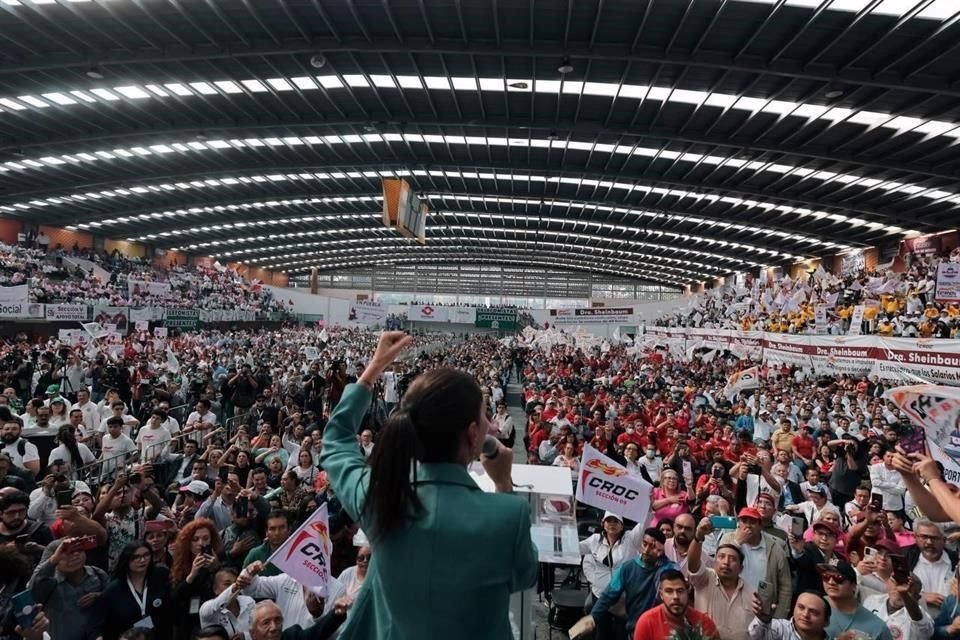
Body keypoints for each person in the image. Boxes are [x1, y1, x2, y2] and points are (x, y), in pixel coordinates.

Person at [319, 331, 538, 640]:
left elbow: (336, 441)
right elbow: (524, 575)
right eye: (484, 417)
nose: (491, 425)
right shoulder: (507, 515)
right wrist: (503, 483)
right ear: (474, 435)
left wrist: (373, 368)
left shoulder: (380, 498)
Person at [571, 527, 679, 639]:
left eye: (652, 546)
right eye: (644, 544)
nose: (646, 550)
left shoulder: (667, 567)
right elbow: (609, 594)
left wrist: (661, 559)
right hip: (634, 628)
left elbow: (671, 576)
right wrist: (592, 617)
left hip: (661, 629)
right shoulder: (628, 567)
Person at [28, 536, 109, 640]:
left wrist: (99, 596)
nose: (75, 555)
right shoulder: (47, 581)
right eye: (68, 552)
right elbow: (31, 589)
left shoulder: (98, 575)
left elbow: (114, 602)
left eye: (79, 550)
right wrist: (53, 560)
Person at [579, 512, 644, 640]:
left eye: (616, 521)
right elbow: (576, 549)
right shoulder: (595, 540)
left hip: (623, 597)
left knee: (622, 633)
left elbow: (644, 524)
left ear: (622, 525)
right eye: (609, 521)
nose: (612, 524)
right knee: (601, 633)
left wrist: (648, 507)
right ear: (603, 523)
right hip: (600, 595)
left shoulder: (631, 539)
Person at [689, 518, 755, 640]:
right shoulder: (704, 579)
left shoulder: (751, 593)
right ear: (714, 563)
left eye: (733, 559)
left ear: (741, 568)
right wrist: (698, 538)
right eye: (721, 557)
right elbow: (693, 565)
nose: (726, 562)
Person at [720, 507, 793, 619]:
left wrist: (779, 617)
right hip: (731, 608)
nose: (748, 526)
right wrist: (738, 542)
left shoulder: (775, 548)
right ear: (739, 523)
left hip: (762, 612)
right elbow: (720, 567)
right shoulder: (728, 539)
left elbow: (785, 585)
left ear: (760, 526)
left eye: (752, 522)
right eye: (744, 521)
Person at [97, 542, 172, 640]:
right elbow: (106, 625)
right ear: (127, 559)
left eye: (146, 555)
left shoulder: (162, 576)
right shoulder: (113, 591)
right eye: (136, 557)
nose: (142, 560)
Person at [170, 518, 223, 640]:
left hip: (213, 622)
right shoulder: (180, 564)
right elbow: (174, 598)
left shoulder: (220, 560)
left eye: (205, 538)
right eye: (195, 539)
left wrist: (216, 569)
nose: (201, 543)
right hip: (187, 623)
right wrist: (191, 576)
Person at [628, 569, 719, 640]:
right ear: (661, 595)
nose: (675, 597)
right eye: (669, 591)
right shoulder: (646, 622)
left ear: (687, 592)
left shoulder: (704, 623)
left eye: (680, 591)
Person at [820, 562, 894, 640]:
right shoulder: (812, 608)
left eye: (839, 578)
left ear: (853, 586)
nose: (831, 582)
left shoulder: (877, 626)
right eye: (826, 577)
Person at [862, 574, 934, 640]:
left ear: (917, 597)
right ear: (887, 583)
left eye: (909, 588)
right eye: (896, 583)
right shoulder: (871, 600)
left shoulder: (921, 617)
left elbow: (921, 626)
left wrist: (904, 594)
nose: (899, 590)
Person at [747, 590, 832, 640]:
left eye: (813, 612)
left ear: (826, 621)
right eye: (801, 608)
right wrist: (763, 621)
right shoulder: (779, 627)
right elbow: (755, 635)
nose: (805, 614)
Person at [247, 599, 348, 640]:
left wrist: (336, 614)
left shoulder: (292, 636)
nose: (274, 628)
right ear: (253, 633)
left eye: (278, 620)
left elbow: (316, 632)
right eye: (266, 623)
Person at [199, 567, 256, 639]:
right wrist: (234, 587)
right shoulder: (206, 608)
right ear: (215, 589)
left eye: (236, 582)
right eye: (227, 584)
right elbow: (217, 604)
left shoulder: (249, 602)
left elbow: (258, 632)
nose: (235, 586)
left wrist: (245, 636)